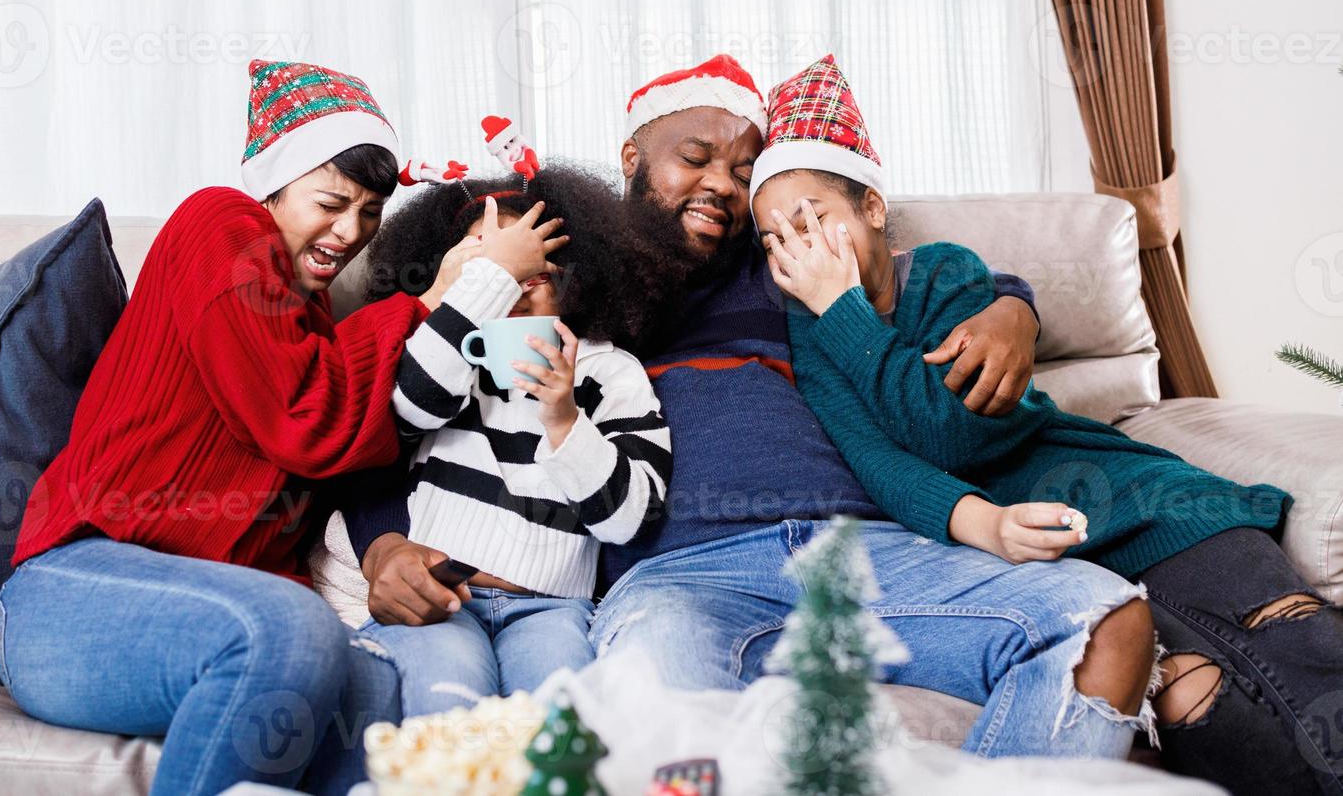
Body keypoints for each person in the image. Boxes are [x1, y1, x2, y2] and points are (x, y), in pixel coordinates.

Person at [351, 55, 1159, 761]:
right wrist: (383, 542)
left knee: (1105, 618)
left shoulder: (782, 259)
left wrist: (1011, 307)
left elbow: (906, 272)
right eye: (694, 159)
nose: (721, 188)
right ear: (631, 156)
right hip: (682, 582)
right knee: (658, 726)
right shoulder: (572, 280)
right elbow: (397, 421)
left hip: (866, 554)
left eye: (743, 173)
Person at [752, 54, 1340, 794]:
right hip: (1068, 562)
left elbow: (952, 431)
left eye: (812, 220)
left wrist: (846, 311)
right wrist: (833, 315)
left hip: (1143, 502)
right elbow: (885, 464)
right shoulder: (808, 333)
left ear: (872, 207)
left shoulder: (942, 273)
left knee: (1293, 638)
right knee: (1197, 698)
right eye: (775, 239)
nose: (798, 249)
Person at [0, 60, 468, 796]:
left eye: (370, 213)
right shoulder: (220, 226)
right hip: (71, 596)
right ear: (274, 185)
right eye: (332, 203)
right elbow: (302, 418)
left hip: (208, 616)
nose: (350, 232)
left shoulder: (315, 326)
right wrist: (435, 303)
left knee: (386, 697)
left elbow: (344, 443)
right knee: (288, 632)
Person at [314, 163, 670, 716]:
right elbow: (413, 402)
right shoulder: (446, 359)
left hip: (550, 610)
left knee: (558, 722)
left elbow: (631, 519)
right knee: (445, 703)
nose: (514, 298)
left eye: (534, 278)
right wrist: (477, 294)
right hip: (444, 595)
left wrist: (564, 418)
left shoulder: (611, 372)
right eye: (493, 278)